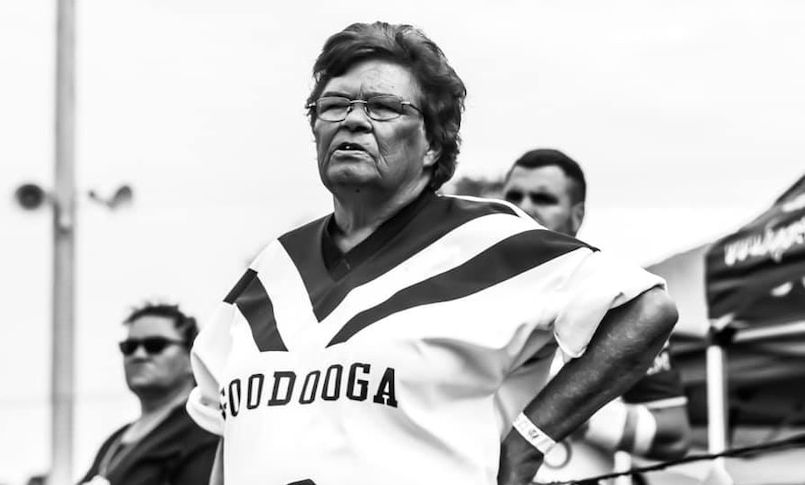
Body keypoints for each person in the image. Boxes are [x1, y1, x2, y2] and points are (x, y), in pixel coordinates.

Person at [186, 21, 679, 485]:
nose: (354, 120)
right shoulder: (271, 270)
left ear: (432, 146)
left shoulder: (490, 240)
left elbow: (646, 308)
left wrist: (527, 443)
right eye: (333, 105)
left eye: (383, 107)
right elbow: (228, 443)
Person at [501, 148, 691, 484]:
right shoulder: (470, 294)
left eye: (543, 199)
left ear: (577, 215)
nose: (525, 207)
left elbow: (674, 434)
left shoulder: (621, 303)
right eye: (514, 196)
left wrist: (567, 407)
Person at [79, 303, 219, 485]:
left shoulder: (204, 426)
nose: (138, 354)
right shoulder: (114, 441)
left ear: (191, 359)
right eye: (129, 347)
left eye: (155, 345)